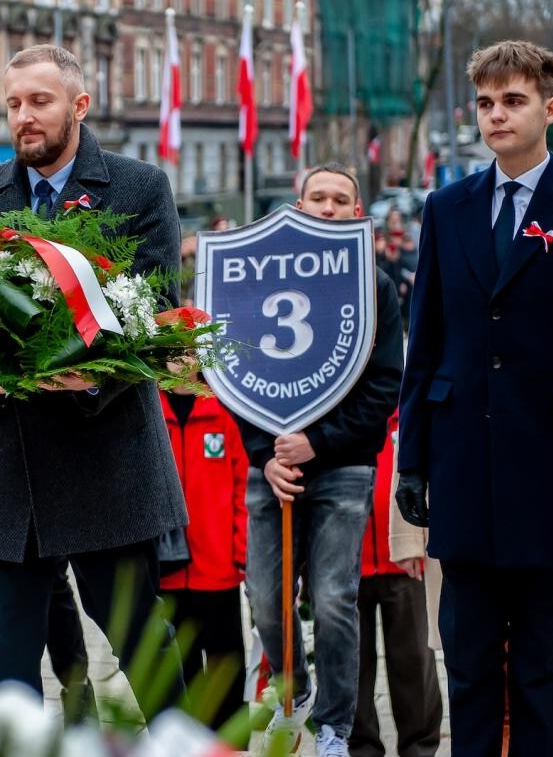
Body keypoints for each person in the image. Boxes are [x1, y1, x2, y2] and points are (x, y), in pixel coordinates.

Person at [396, 40, 553, 757]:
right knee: (467, 666)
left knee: (543, 669)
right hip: (463, 468)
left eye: (514, 100)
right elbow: (426, 342)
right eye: (486, 103)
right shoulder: (447, 208)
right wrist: (413, 461)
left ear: (549, 108)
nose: (496, 115)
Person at [0, 45, 188, 717]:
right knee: (6, 670)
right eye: (13, 104)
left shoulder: (139, 188)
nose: (23, 117)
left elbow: (156, 311)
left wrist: (83, 380)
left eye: (39, 101)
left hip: (106, 462)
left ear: (79, 105)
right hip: (8, 472)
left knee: (144, 649)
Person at [236, 163, 403, 757]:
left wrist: (319, 442)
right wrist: (266, 455)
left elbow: (385, 386)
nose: (328, 208)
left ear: (357, 213)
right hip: (272, 469)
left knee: (333, 600)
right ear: (298, 206)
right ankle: (295, 690)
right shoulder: (258, 276)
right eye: (318, 198)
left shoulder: (375, 286)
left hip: (343, 468)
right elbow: (236, 369)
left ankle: (334, 726)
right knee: (264, 598)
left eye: (340, 200)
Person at [158, 378, 250, 738]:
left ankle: (232, 740)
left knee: (227, 662)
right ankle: (186, 740)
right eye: (173, 352)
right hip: (168, 569)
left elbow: (243, 486)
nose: (182, 359)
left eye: (190, 351)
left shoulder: (223, 413)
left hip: (217, 568)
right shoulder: (152, 412)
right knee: (180, 665)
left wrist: (241, 552)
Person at [350, 412, 442, 757]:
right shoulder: (344, 414)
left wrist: (419, 538)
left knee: (415, 662)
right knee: (351, 666)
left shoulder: (411, 416)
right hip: (347, 560)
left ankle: (419, 748)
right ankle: (360, 747)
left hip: (404, 561)